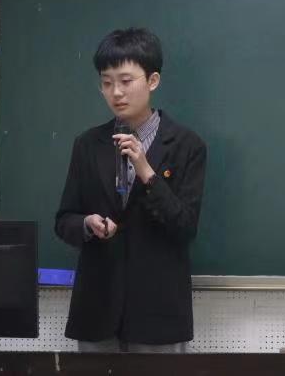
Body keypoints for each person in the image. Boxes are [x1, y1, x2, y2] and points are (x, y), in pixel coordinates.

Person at [55, 28, 207, 353]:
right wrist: (88, 224)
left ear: (152, 81)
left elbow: (185, 226)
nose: (116, 92)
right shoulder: (87, 144)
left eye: (126, 81)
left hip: (158, 310)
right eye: (106, 82)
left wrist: (147, 171)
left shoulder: (186, 145)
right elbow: (64, 219)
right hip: (97, 308)